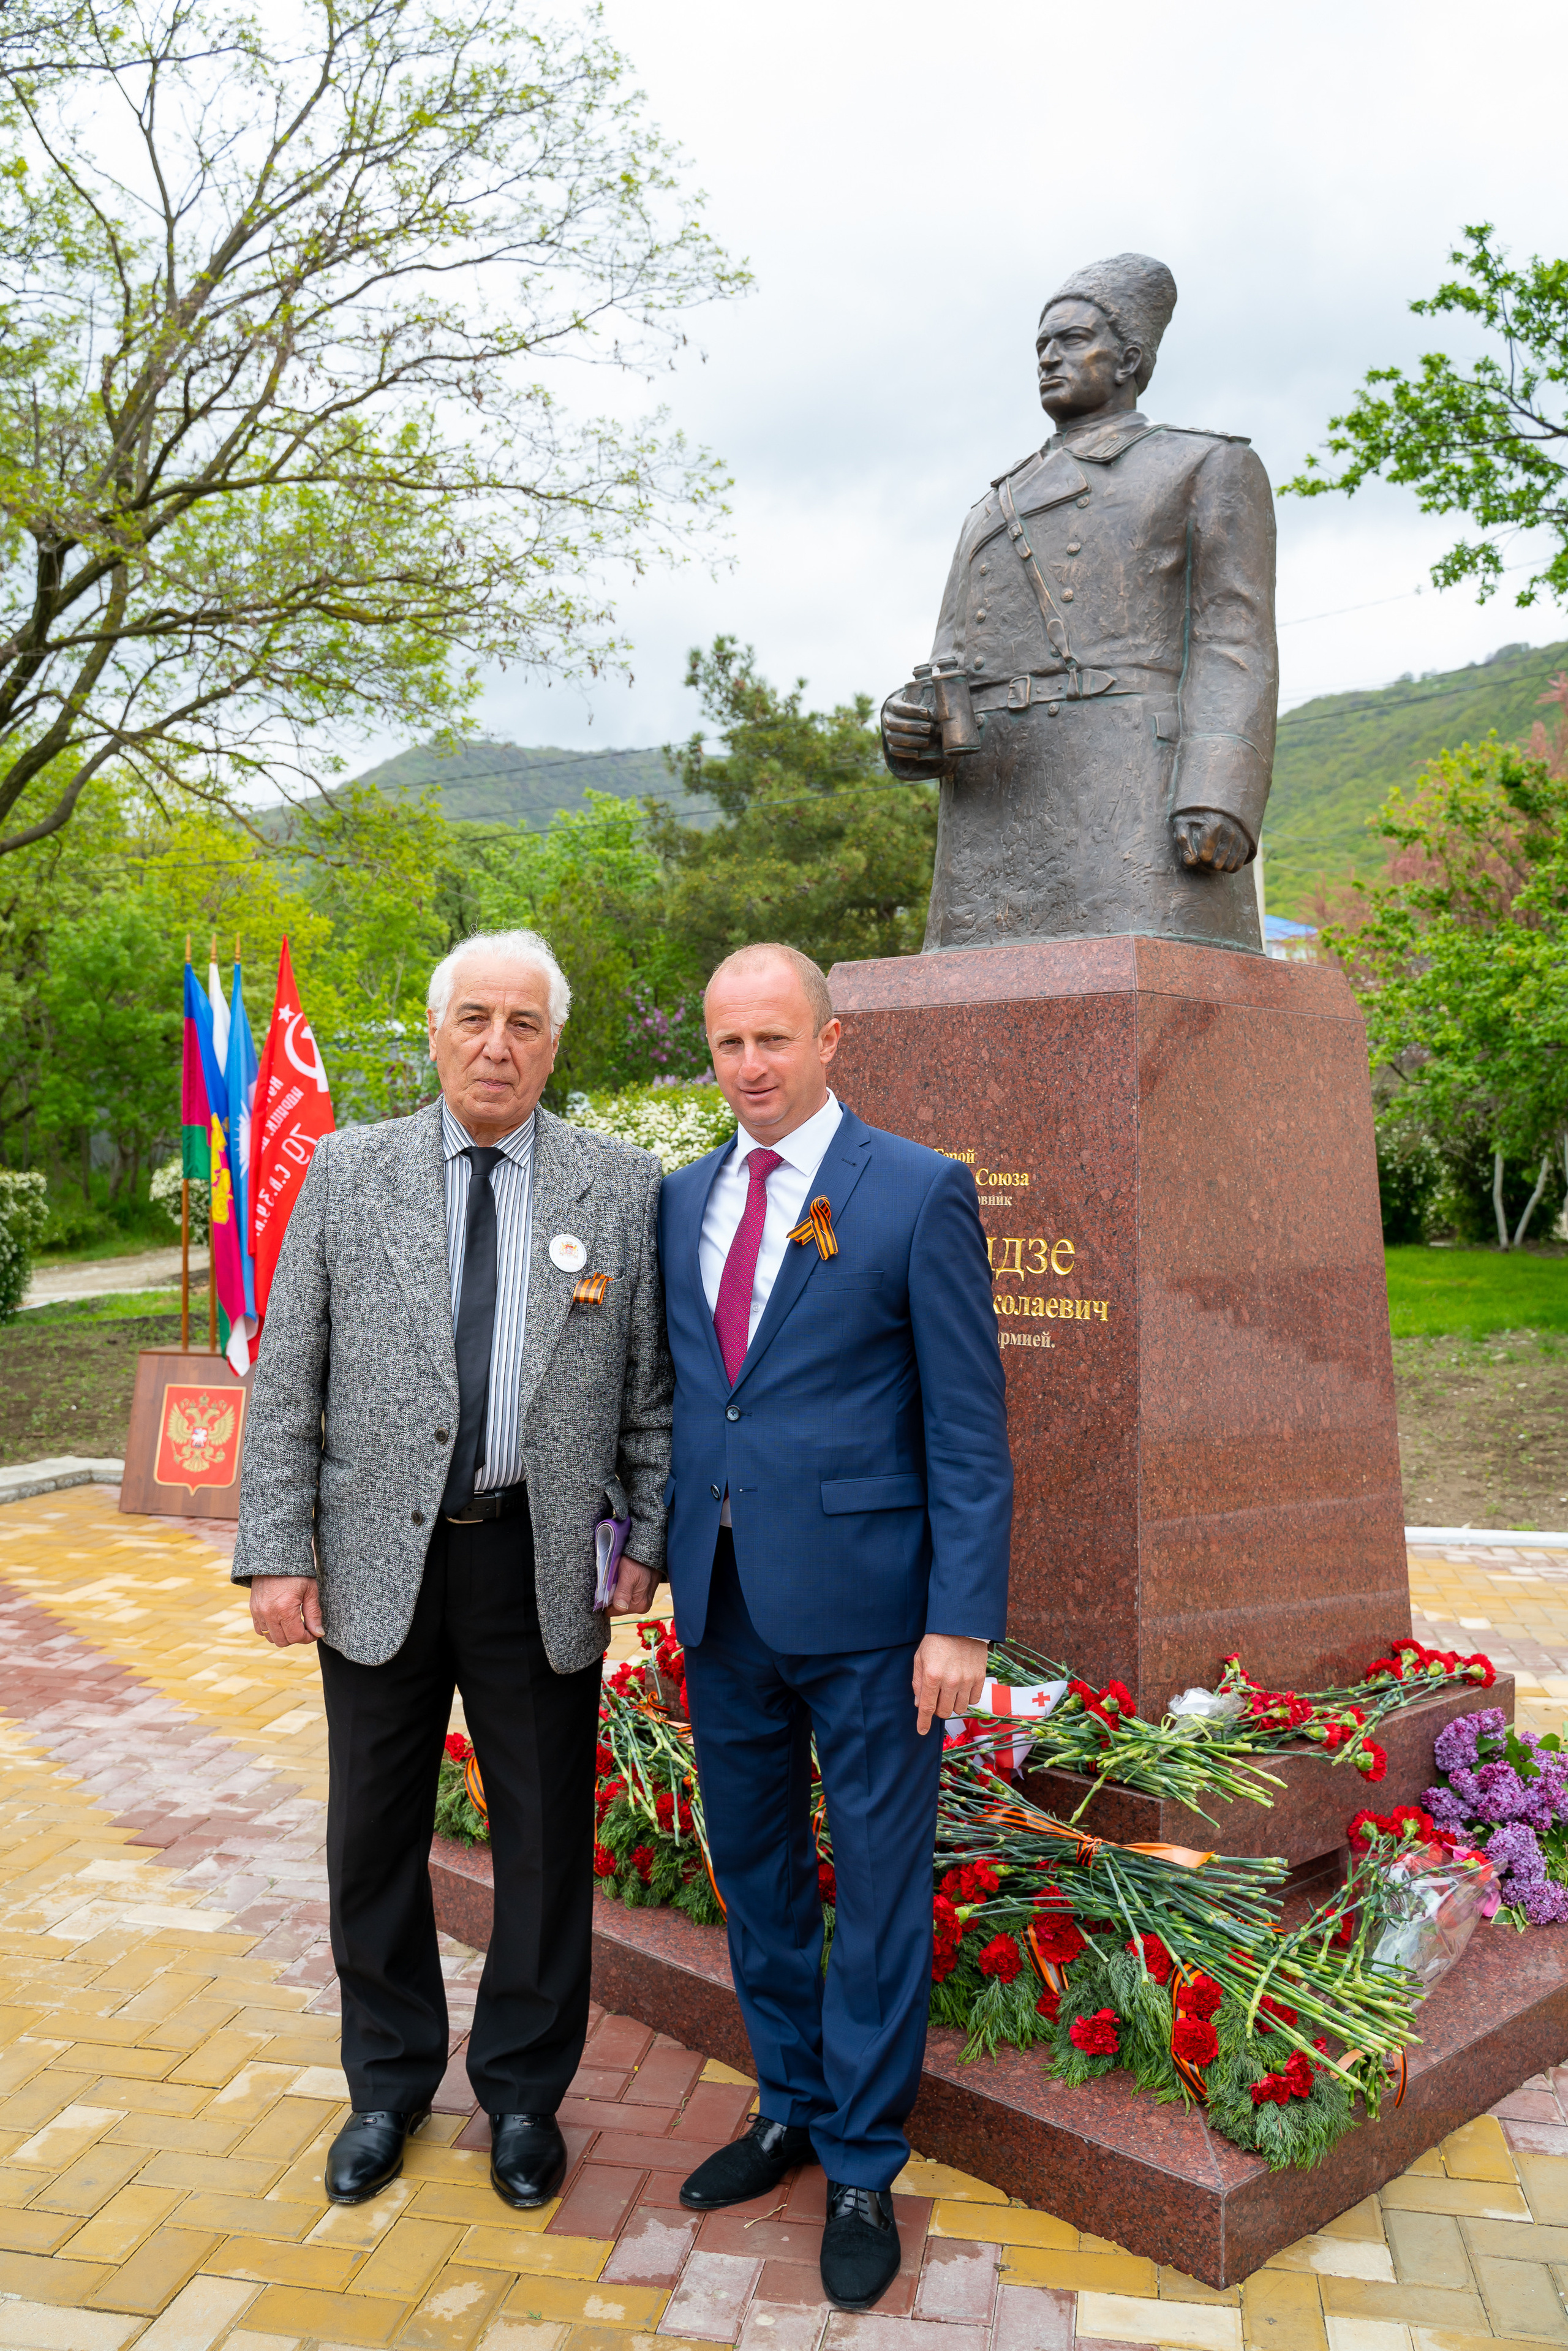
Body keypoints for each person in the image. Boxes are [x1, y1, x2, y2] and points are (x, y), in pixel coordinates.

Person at [233, 929, 672, 2213]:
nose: (496, 1043)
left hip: (539, 1560)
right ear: (434, 1032)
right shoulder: (346, 1170)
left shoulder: (619, 1184)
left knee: (543, 1842)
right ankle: (387, 2082)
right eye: (474, 1017)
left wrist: (646, 1538)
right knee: (372, 1833)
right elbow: (287, 1378)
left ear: (554, 1043)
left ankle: (525, 2093)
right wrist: (277, 1552)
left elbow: (649, 1391)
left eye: (524, 1022)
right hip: (379, 1561)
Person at [657, 942, 1012, 2314]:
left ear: (828, 1040)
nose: (749, 1065)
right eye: (728, 1042)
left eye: (773, 1039)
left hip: (873, 1616)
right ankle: (789, 2104)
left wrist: (959, 1620)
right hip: (725, 1601)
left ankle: (862, 2159)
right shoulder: (683, 1197)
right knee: (755, 1873)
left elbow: (967, 1427)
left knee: (872, 1889)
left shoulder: (916, 1189)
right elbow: (699, 1399)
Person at [881, 250, 1279, 954]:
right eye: (1041, 344)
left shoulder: (1202, 465)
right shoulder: (991, 507)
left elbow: (1233, 641)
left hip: (1128, 793)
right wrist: (908, 728)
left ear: (1128, 360)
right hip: (992, 805)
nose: (1047, 357)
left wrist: (1218, 790)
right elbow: (947, 667)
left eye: (1071, 340)